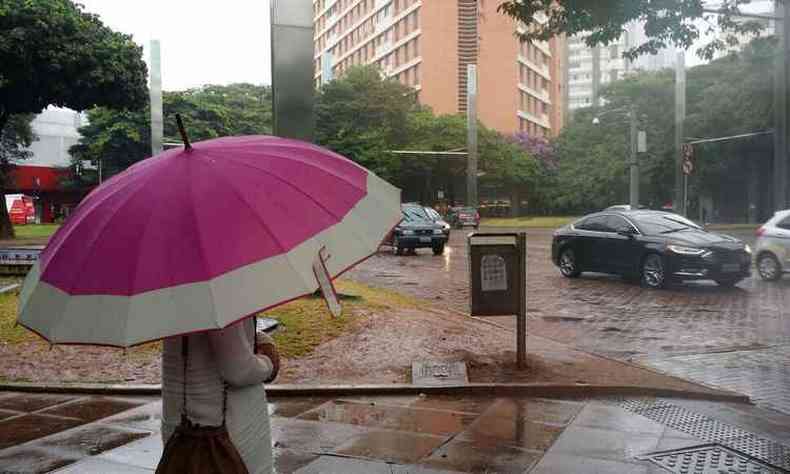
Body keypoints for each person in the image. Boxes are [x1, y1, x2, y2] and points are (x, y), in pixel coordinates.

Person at [161, 318, 280, 474]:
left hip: (180, 423)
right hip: (225, 433)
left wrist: (253, 335)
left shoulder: (171, 295)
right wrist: (268, 363)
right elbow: (238, 370)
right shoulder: (222, 296)